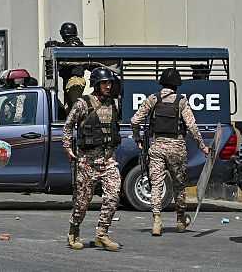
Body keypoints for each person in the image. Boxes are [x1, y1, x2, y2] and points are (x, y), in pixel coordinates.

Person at [131, 67, 210, 236]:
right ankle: (180, 220)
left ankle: (157, 221)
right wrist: (202, 146)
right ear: (176, 85)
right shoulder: (181, 101)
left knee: (156, 185)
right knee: (179, 185)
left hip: (157, 147)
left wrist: (137, 139)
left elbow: (135, 120)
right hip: (177, 148)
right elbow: (192, 127)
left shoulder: (153, 99)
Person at [62, 66, 123, 252]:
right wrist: (67, 147)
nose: (108, 86)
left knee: (113, 196)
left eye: (109, 83)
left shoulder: (113, 104)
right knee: (83, 201)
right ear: (96, 84)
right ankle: (74, 230)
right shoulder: (83, 103)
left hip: (108, 160)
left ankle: (102, 234)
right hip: (87, 161)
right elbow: (68, 126)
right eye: (104, 83)